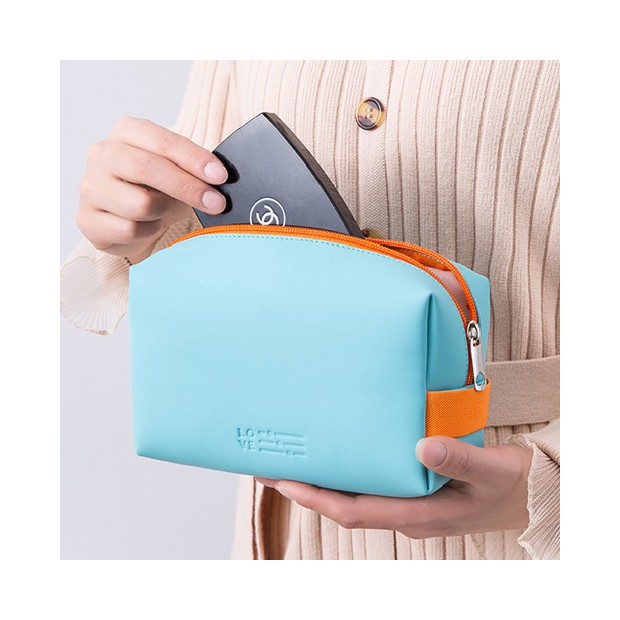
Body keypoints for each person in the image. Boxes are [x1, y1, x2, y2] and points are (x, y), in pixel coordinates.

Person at [61, 60, 560, 560]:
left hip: (514, 534)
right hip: (285, 525)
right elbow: (192, 215)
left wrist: (554, 482)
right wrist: (129, 215)